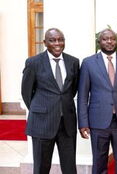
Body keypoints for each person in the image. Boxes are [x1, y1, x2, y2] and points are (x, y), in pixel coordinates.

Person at [77, 29, 117, 174]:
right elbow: (83, 95)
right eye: (105, 39)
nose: (109, 41)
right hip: (98, 121)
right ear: (99, 42)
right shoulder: (88, 63)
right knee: (99, 162)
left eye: (112, 38)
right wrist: (83, 122)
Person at [21, 28, 80, 174]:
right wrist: (41, 109)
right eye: (52, 40)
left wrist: (61, 105)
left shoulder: (73, 62)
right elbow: (26, 92)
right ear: (45, 42)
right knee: (41, 167)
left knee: (70, 167)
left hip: (67, 122)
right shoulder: (33, 63)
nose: (57, 43)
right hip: (42, 122)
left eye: (60, 39)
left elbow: (72, 89)